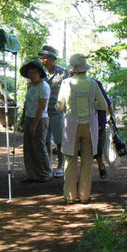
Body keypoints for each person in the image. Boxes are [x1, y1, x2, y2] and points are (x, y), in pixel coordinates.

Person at [55, 54, 108, 204]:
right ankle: (84, 196)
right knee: (87, 160)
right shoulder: (93, 84)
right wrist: (93, 106)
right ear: (85, 68)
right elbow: (103, 105)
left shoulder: (66, 83)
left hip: (71, 125)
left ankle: (70, 196)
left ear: (72, 69)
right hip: (89, 126)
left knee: (70, 159)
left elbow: (59, 106)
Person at [38, 45, 69, 178]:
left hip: (58, 112)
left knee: (59, 140)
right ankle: (48, 165)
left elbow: (70, 91)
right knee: (45, 140)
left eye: (44, 57)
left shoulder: (63, 72)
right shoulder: (41, 73)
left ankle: (60, 166)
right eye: (41, 57)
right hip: (44, 113)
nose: (42, 60)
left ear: (52, 58)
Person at [20, 60, 53, 183]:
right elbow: (26, 102)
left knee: (39, 146)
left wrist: (34, 125)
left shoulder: (44, 87)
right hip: (29, 117)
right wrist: (23, 117)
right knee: (28, 147)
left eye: (34, 72)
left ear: (39, 73)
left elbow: (42, 107)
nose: (31, 74)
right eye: (30, 72)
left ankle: (45, 173)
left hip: (40, 119)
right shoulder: (31, 86)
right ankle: (32, 174)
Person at [93, 79, 113, 179]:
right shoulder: (71, 83)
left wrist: (112, 116)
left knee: (98, 147)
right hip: (86, 122)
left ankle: (101, 165)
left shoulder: (95, 83)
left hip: (98, 123)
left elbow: (107, 103)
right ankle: (100, 166)